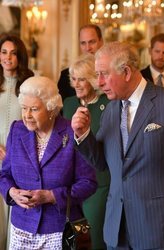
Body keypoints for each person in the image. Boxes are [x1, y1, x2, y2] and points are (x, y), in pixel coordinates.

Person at [71, 41, 164, 250]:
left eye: (104, 74)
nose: (99, 82)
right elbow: (101, 163)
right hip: (117, 229)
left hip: (160, 227)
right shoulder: (110, 110)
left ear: (126, 72)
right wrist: (83, 135)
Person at [0, 76, 97, 249]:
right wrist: (11, 192)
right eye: (24, 108)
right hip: (21, 228)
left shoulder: (71, 131)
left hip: (61, 229)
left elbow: (89, 183)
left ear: (51, 109)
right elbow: (4, 174)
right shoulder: (17, 129)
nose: (27, 115)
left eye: (34, 109)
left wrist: (52, 196)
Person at [63, 53, 110, 249]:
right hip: (72, 186)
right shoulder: (69, 104)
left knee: (96, 239)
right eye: (74, 79)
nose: (77, 84)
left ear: (93, 78)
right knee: (76, 238)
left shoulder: (108, 104)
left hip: (100, 183)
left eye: (82, 79)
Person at [0, 33, 34, 250]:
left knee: (14, 221)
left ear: (20, 57)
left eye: (13, 53)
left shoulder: (29, 86)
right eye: (3, 52)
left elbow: (37, 124)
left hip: (19, 162)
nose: (7, 57)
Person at [58, 24, 104, 101]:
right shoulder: (65, 76)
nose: (87, 48)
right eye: (83, 43)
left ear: (101, 41)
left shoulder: (109, 74)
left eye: (92, 42)